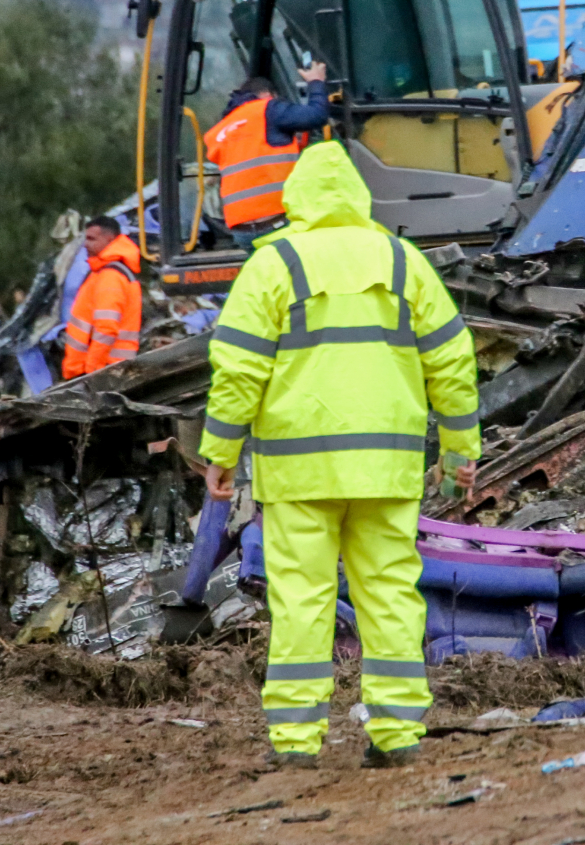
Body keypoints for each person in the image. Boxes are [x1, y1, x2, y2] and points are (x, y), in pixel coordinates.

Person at [199, 141, 478, 770]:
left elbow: (237, 367)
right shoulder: (404, 262)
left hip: (300, 470)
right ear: (359, 195)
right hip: (386, 466)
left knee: (301, 599)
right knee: (389, 595)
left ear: (295, 199)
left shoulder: (274, 264)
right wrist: (461, 449)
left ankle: (297, 743)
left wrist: (219, 451)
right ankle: (398, 735)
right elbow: (454, 361)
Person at [202, 63, 331, 249]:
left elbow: (260, 153)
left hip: (241, 232)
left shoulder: (221, 130)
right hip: (277, 224)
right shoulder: (267, 109)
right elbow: (316, 116)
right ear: (268, 95)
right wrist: (316, 82)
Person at [62, 215, 143, 379]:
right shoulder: (107, 272)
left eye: (92, 239)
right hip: (108, 369)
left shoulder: (110, 276)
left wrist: (92, 371)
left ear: (110, 239)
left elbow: (106, 329)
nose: (86, 244)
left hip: (102, 371)